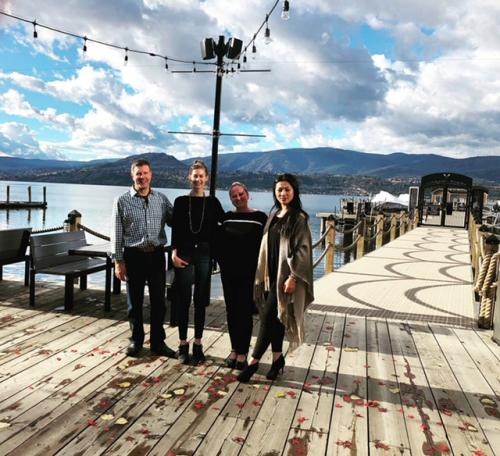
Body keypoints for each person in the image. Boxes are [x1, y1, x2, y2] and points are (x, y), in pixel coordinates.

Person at [238, 173, 314, 383]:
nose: (283, 193)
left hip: (285, 277)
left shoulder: (299, 218)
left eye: (287, 189)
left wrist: (294, 277)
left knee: (266, 318)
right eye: (279, 189)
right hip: (269, 275)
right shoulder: (274, 215)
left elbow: (303, 250)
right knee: (277, 319)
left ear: (294, 191)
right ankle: (277, 359)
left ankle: (253, 363)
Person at [111, 158, 176, 358]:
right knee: (134, 302)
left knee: (159, 302)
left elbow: (177, 221)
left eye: (145, 173)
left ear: (151, 175)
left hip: (156, 255)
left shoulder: (161, 199)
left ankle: (158, 342)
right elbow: (116, 233)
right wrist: (118, 261)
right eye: (138, 173)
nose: (142, 177)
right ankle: (136, 341)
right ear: (132, 176)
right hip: (133, 256)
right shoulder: (122, 200)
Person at [171, 160, 224, 365]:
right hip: (184, 254)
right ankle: (183, 344)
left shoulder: (213, 203)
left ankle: (198, 344)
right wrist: (173, 253)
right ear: (189, 177)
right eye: (195, 176)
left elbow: (224, 225)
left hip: (204, 255)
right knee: (183, 299)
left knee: (200, 300)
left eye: (201, 176)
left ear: (206, 178)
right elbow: (176, 230)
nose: (198, 179)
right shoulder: (180, 201)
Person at [218, 182, 267, 370]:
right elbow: (219, 242)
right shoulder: (227, 218)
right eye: (234, 196)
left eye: (241, 194)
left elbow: (266, 246)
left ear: (247, 194)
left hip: (250, 274)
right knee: (231, 311)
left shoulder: (260, 217)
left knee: (245, 312)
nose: (238, 198)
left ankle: (243, 353)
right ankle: (234, 349)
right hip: (229, 273)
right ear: (230, 199)